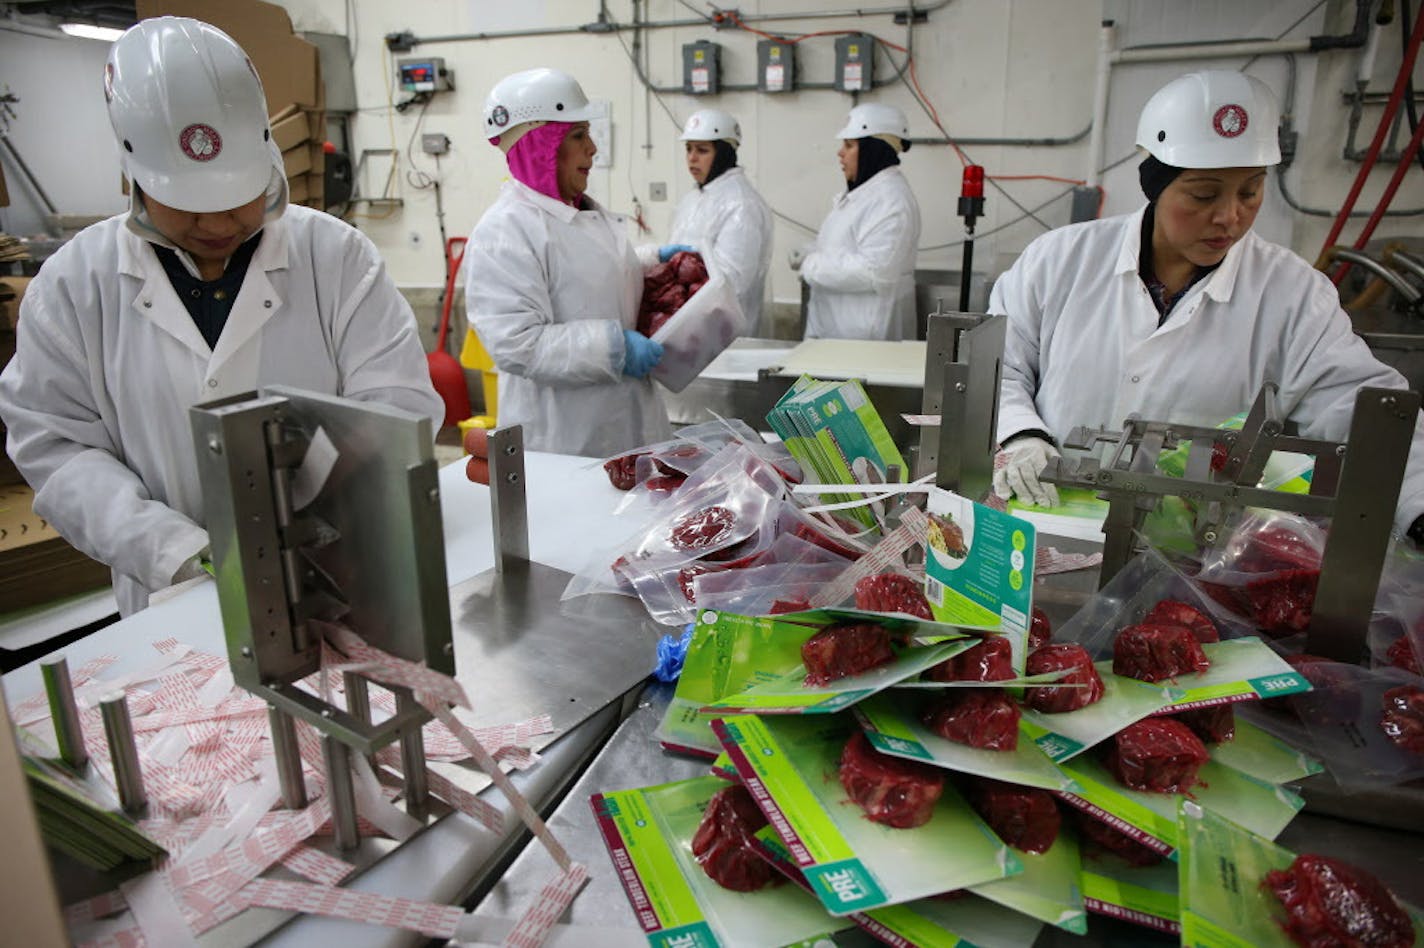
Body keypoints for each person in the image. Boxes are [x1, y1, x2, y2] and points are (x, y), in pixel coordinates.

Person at [0, 18, 442, 617]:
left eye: (238, 197)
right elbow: (57, 447)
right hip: (173, 597)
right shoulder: (74, 284)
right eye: (187, 206)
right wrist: (179, 552)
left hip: (337, 577)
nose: (218, 225)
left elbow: (396, 405)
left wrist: (312, 521)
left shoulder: (336, 257)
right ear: (133, 176)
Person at [990, 69, 1424, 543]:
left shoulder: (1294, 294)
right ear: (1155, 184)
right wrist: (1021, 436)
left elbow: (1365, 411)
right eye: (1203, 194)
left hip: (1191, 553)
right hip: (1043, 523)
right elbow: (1001, 367)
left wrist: (1419, 506)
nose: (1229, 216)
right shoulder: (1058, 259)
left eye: (1250, 191)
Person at [465, 67, 671, 458]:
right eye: (578, 136)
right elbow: (517, 344)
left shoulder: (580, 214)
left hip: (628, 422)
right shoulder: (505, 230)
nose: (592, 148)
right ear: (541, 145)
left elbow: (588, 274)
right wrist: (614, 348)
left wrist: (651, 261)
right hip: (565, 438)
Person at [793, 103, 922, 341]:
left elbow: (874, 271)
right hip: (838, 334)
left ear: (874, 149)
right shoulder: (865, 195)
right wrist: (810, 252)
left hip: (864, 340)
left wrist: (812, 265)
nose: (840, 153)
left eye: (849, 145)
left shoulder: (890, 201)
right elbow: (846, 248)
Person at [638, 109, 773, 335]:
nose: (692, 158)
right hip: (689, 330)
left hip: (723, 334)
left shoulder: (741, 204)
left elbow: (732, 283)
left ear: (724, 153)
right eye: (688, 148)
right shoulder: (694, 198)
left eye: (702, 150)